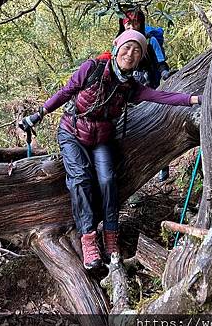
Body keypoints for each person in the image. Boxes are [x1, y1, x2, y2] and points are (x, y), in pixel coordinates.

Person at [20, 29, 201, 270]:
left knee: (108, 181)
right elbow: (66, 92)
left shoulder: (131, 87)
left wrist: (194, 100)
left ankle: (111, 236)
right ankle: (88, 240)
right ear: (117, 48)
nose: (130, 53)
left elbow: (162, 97)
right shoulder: (92, 68)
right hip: (72, 133)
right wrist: (38, 115)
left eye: (137, 51)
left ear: (140, 59)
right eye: (127, 47)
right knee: (81, 179)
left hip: (102, 138)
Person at [118, 8, 172, 182]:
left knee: (157, 129)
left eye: (135, 22)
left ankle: (162, 167)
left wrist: (166, 75)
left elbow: (161, 63)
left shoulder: (150, 41)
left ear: (141, 23)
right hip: (128, 95)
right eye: (127, 23)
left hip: (150, 92)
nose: (132, 26)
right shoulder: (119, 43)